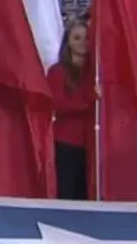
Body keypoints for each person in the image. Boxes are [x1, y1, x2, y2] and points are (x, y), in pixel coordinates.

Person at [47, 19, 92, 200]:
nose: (83, 42)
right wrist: (89, 102)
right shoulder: (57, 71)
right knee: (67, 193)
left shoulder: (95, 73)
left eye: (87, 38)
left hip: (92, 144)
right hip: (66, 143)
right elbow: (58, 104)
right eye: (77, 38)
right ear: (68, 42)